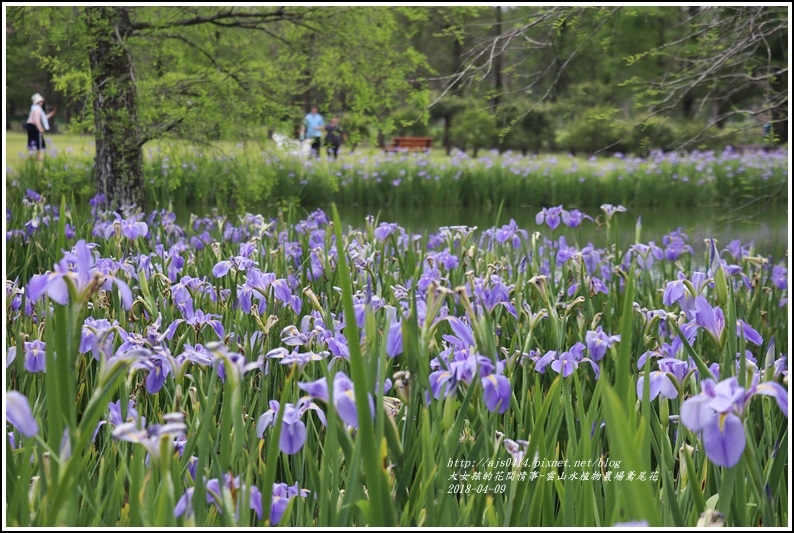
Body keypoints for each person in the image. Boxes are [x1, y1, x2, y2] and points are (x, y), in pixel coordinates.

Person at [26, 93, 56, 161]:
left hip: (31, 126)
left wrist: (51, 114)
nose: (42, 102)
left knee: (33, 141)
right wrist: (40, 128)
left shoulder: (36, 108)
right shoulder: (37, 109)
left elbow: (43, 117)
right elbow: (37, 120)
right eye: (41, 101)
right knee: (38, 141)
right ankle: (37, 157)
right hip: (33, 126)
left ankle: (34, 156)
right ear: (38, 102)